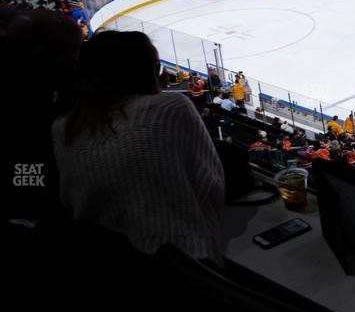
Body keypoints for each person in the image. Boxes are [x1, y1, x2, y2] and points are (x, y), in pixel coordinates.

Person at [51, 31, 225, 261]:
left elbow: (69, 199)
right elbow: (210, 187)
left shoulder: (62, 127)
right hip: (181, 264)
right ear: (147, 71)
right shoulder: (170, 107)